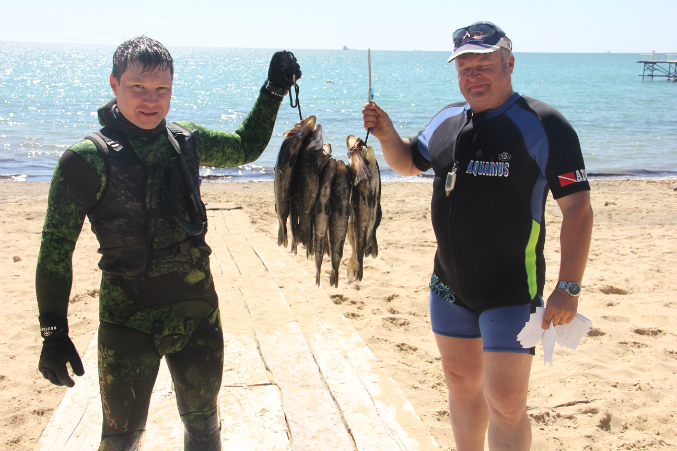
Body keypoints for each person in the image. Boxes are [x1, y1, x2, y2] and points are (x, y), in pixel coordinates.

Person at [35, 36, 301, 451]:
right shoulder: (85, 160)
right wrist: (53, 332)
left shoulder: (186, 140)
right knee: (121, 439)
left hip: (198, 315)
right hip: (128, 322)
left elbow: (245, 146)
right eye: (138, 87)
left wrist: (273, 91)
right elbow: (55, 251)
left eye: (162, 89)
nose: (151, 100)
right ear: (114, 84)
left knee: (204, 427)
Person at [362, 22, 593, 451]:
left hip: (511, 290)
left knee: (506, 402)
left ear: (509, 63)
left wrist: (569, 287)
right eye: (464, 68)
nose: (474, 76)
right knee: (461, 384)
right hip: (448, 286)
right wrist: (387, 134)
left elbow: (578, 208)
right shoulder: (448, 119)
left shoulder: (543, 124)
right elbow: (409, 162)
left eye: (484, 65)